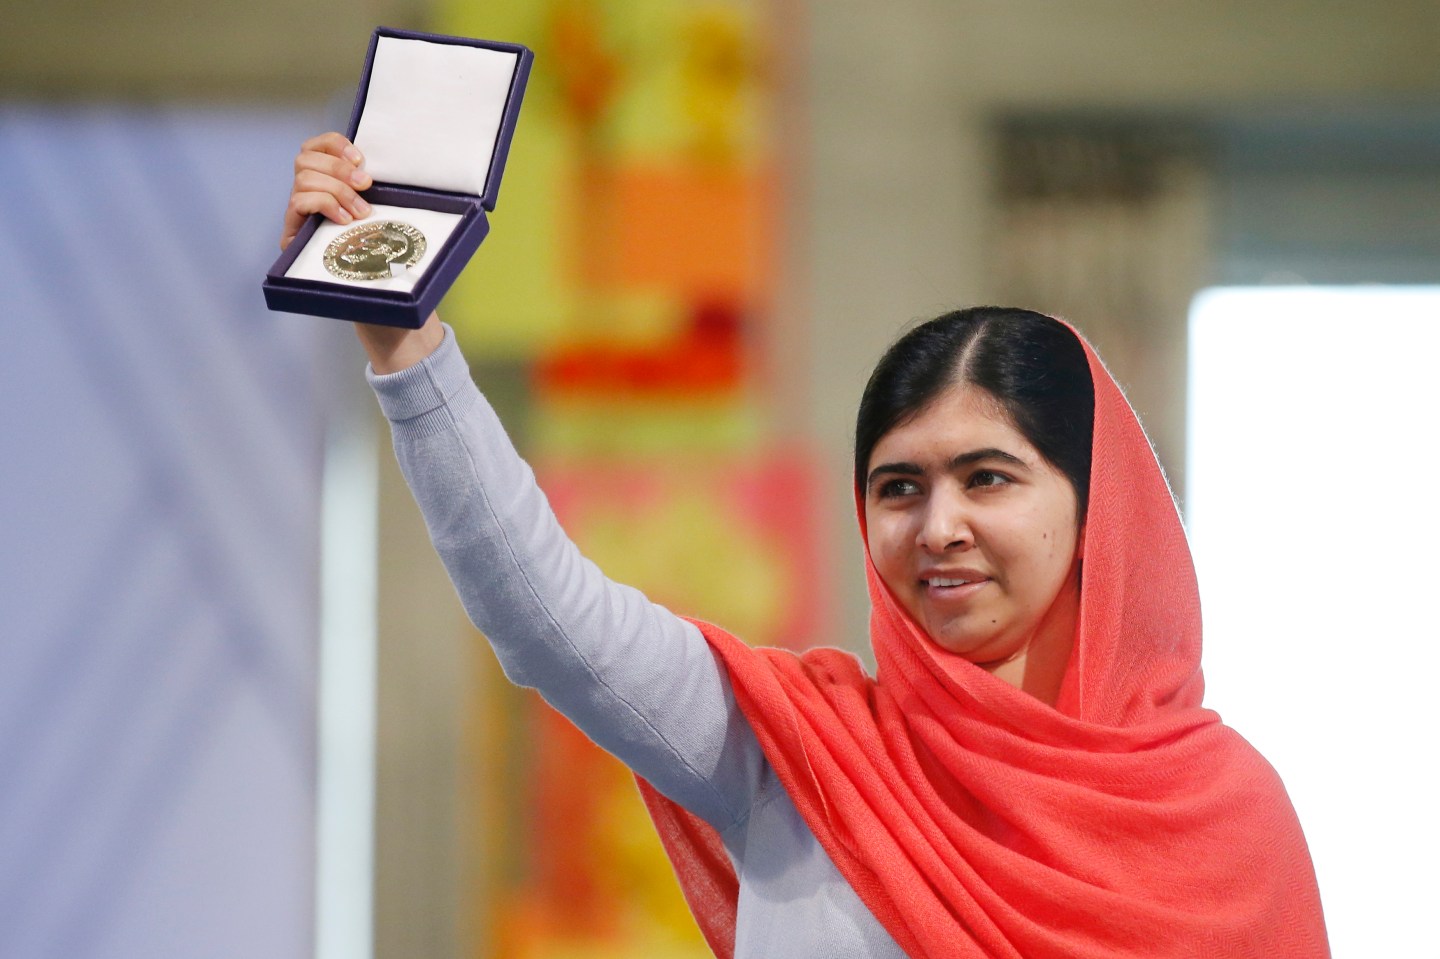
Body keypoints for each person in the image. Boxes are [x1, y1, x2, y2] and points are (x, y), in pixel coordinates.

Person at [284, 133, 1330, 958]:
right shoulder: (801, 755)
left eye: (988, 477)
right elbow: (546, 612)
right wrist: (405, 340)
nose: (938, 526)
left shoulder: (1224, 817)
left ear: (1099, 506)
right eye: (898, 487)